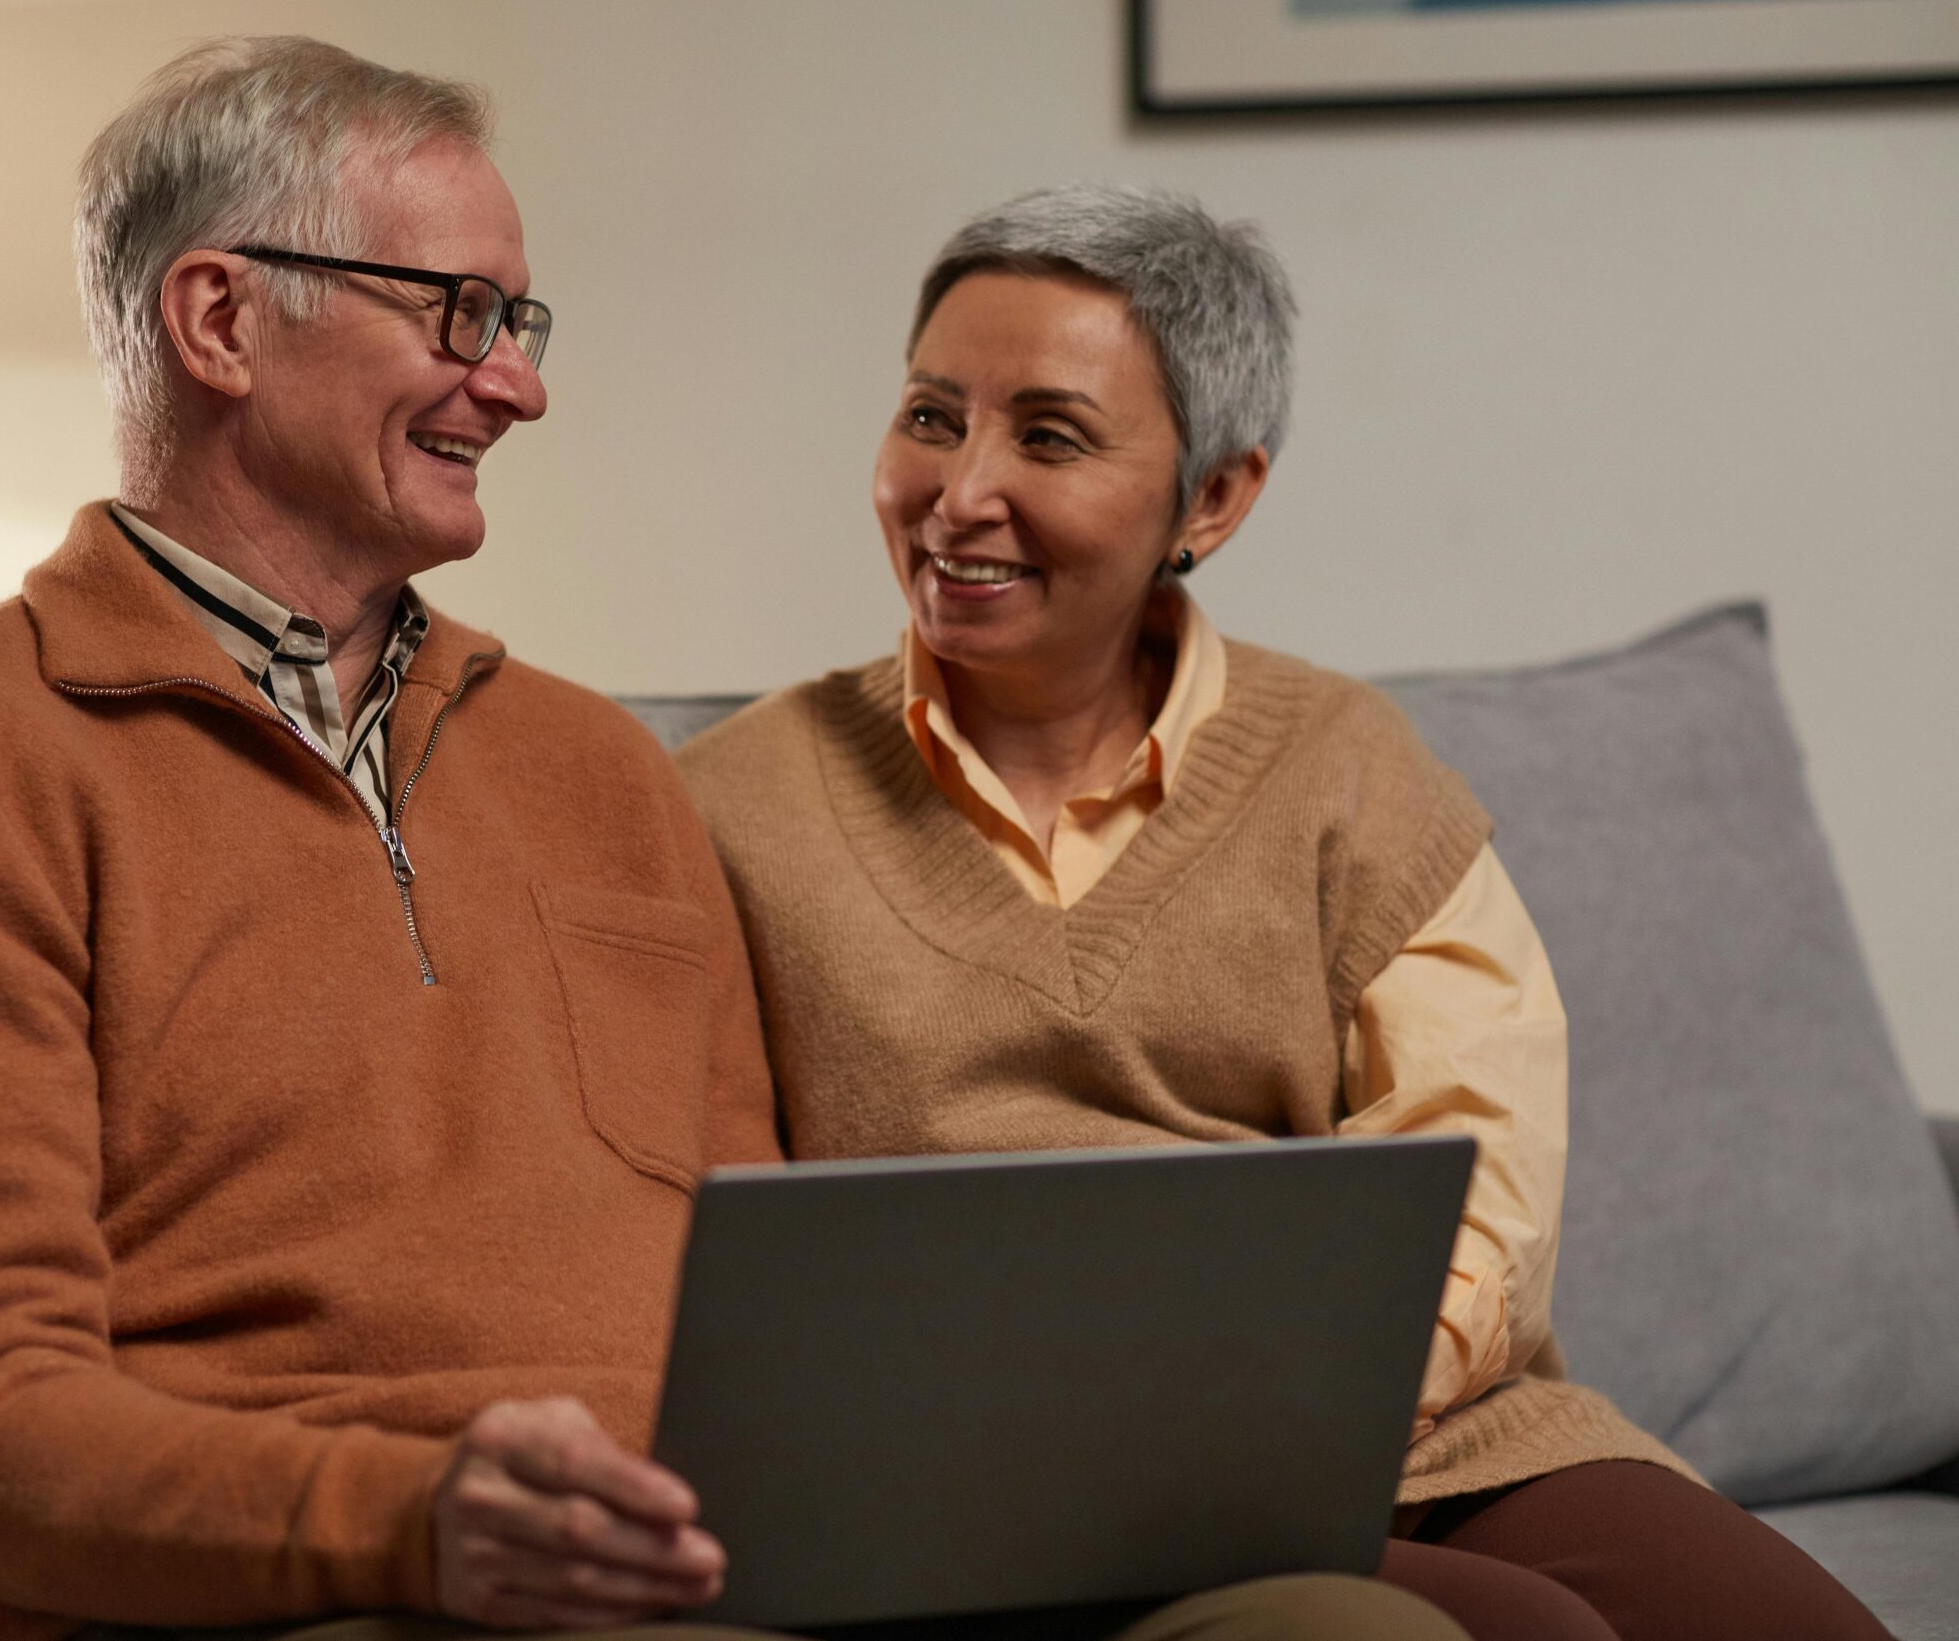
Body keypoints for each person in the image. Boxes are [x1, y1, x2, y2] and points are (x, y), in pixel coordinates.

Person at [0, 40, 1463, 1641]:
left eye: (522, 321)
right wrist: (416, 1515)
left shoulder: (598, 768)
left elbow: (771, 1302)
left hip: (733, 1555)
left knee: (1346, 1624)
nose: (519, 385)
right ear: (219, 318)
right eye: (461, 315)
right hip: (322, 1590)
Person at [673, 184, 1895, 1641]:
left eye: (1048, 435)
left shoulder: (1348, 765)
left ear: (1214, 498)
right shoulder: (725, 808)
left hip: (1424, 1431)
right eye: (933, 415)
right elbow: (695, 1234)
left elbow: (1480, 1167)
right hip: (1002, 1484)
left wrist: (1330, 1405)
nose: (958, 490)